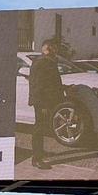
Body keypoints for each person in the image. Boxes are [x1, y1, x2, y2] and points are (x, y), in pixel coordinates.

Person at [26, 39, 67, 170]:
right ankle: (36, 159)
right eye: (53, 48)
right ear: (46, 49)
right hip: (41, 102)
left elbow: (51, 83)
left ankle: (40, 153)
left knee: (42, 127)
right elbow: (37, 86)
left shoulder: (50, 62)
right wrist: (42, 105)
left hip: (47, 101)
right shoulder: (41, 63)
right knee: (39, 128)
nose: (56, 50)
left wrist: (65, 88)